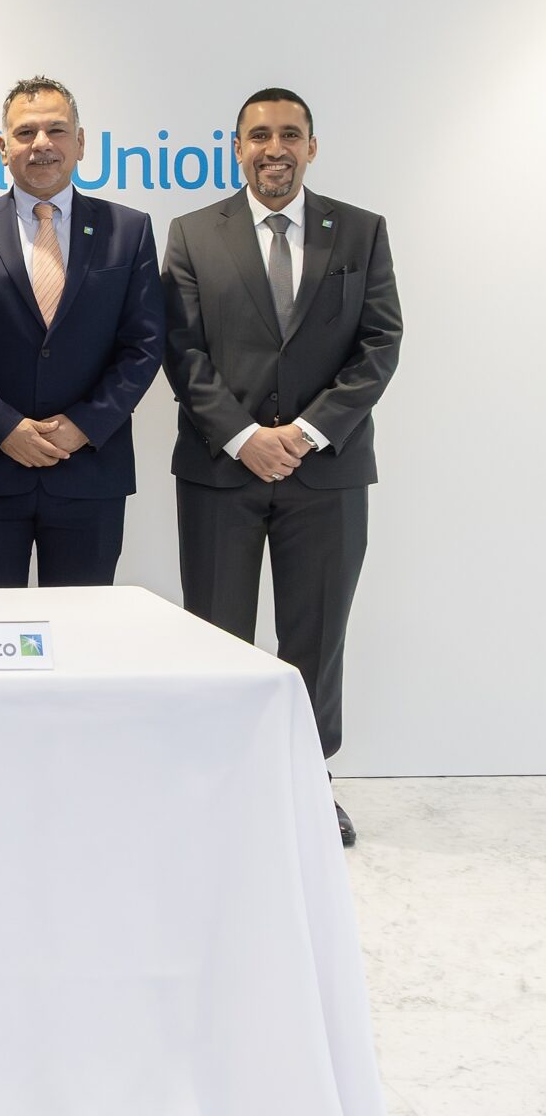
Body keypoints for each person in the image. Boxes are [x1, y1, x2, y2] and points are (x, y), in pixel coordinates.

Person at [162, 87, 403, 848]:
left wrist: (302, 433)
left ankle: (308, 782)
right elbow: (182, 350)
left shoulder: (360, 231)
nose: (276, 149)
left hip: (326, 473)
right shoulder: (193, 233)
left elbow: (380, 344)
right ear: (237, 148)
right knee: (217, 635)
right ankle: (224, 784)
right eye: (260, 135)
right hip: (220, 470)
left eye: (290, 135)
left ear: (312, 146)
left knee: (316, 637)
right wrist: (243, 436)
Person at [0, 76, 164, 587]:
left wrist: (84, 426)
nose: (41, 144)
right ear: (2, 147)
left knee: (84, 628)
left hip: (90, 472)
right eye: (25, 132)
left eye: (56, 129)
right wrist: (3, 429)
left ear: (80, 142)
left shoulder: (129, 229)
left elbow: (143, 346)